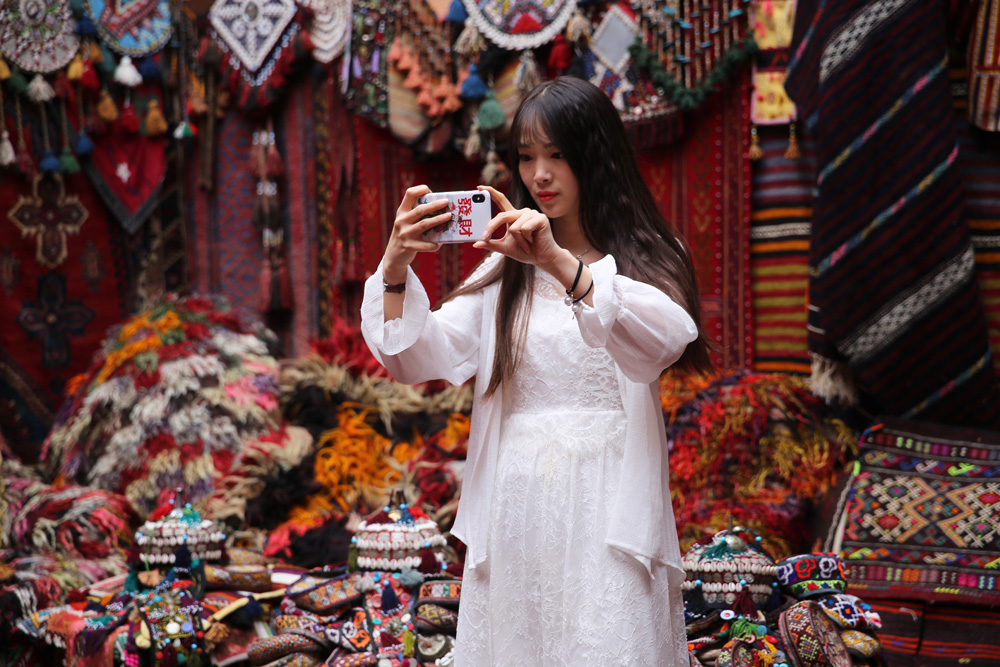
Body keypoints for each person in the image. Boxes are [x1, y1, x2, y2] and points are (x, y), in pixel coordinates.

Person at [360, 76, 713, 666]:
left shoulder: (648, 256)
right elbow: (414, 354)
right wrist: (395, 263)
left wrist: (555, 259)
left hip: (609, 498)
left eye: (557, 155)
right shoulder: (504, 274)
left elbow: (665, 340)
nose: (539, 175)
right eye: (526, 157)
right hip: (517, 496)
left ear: (595, 157)